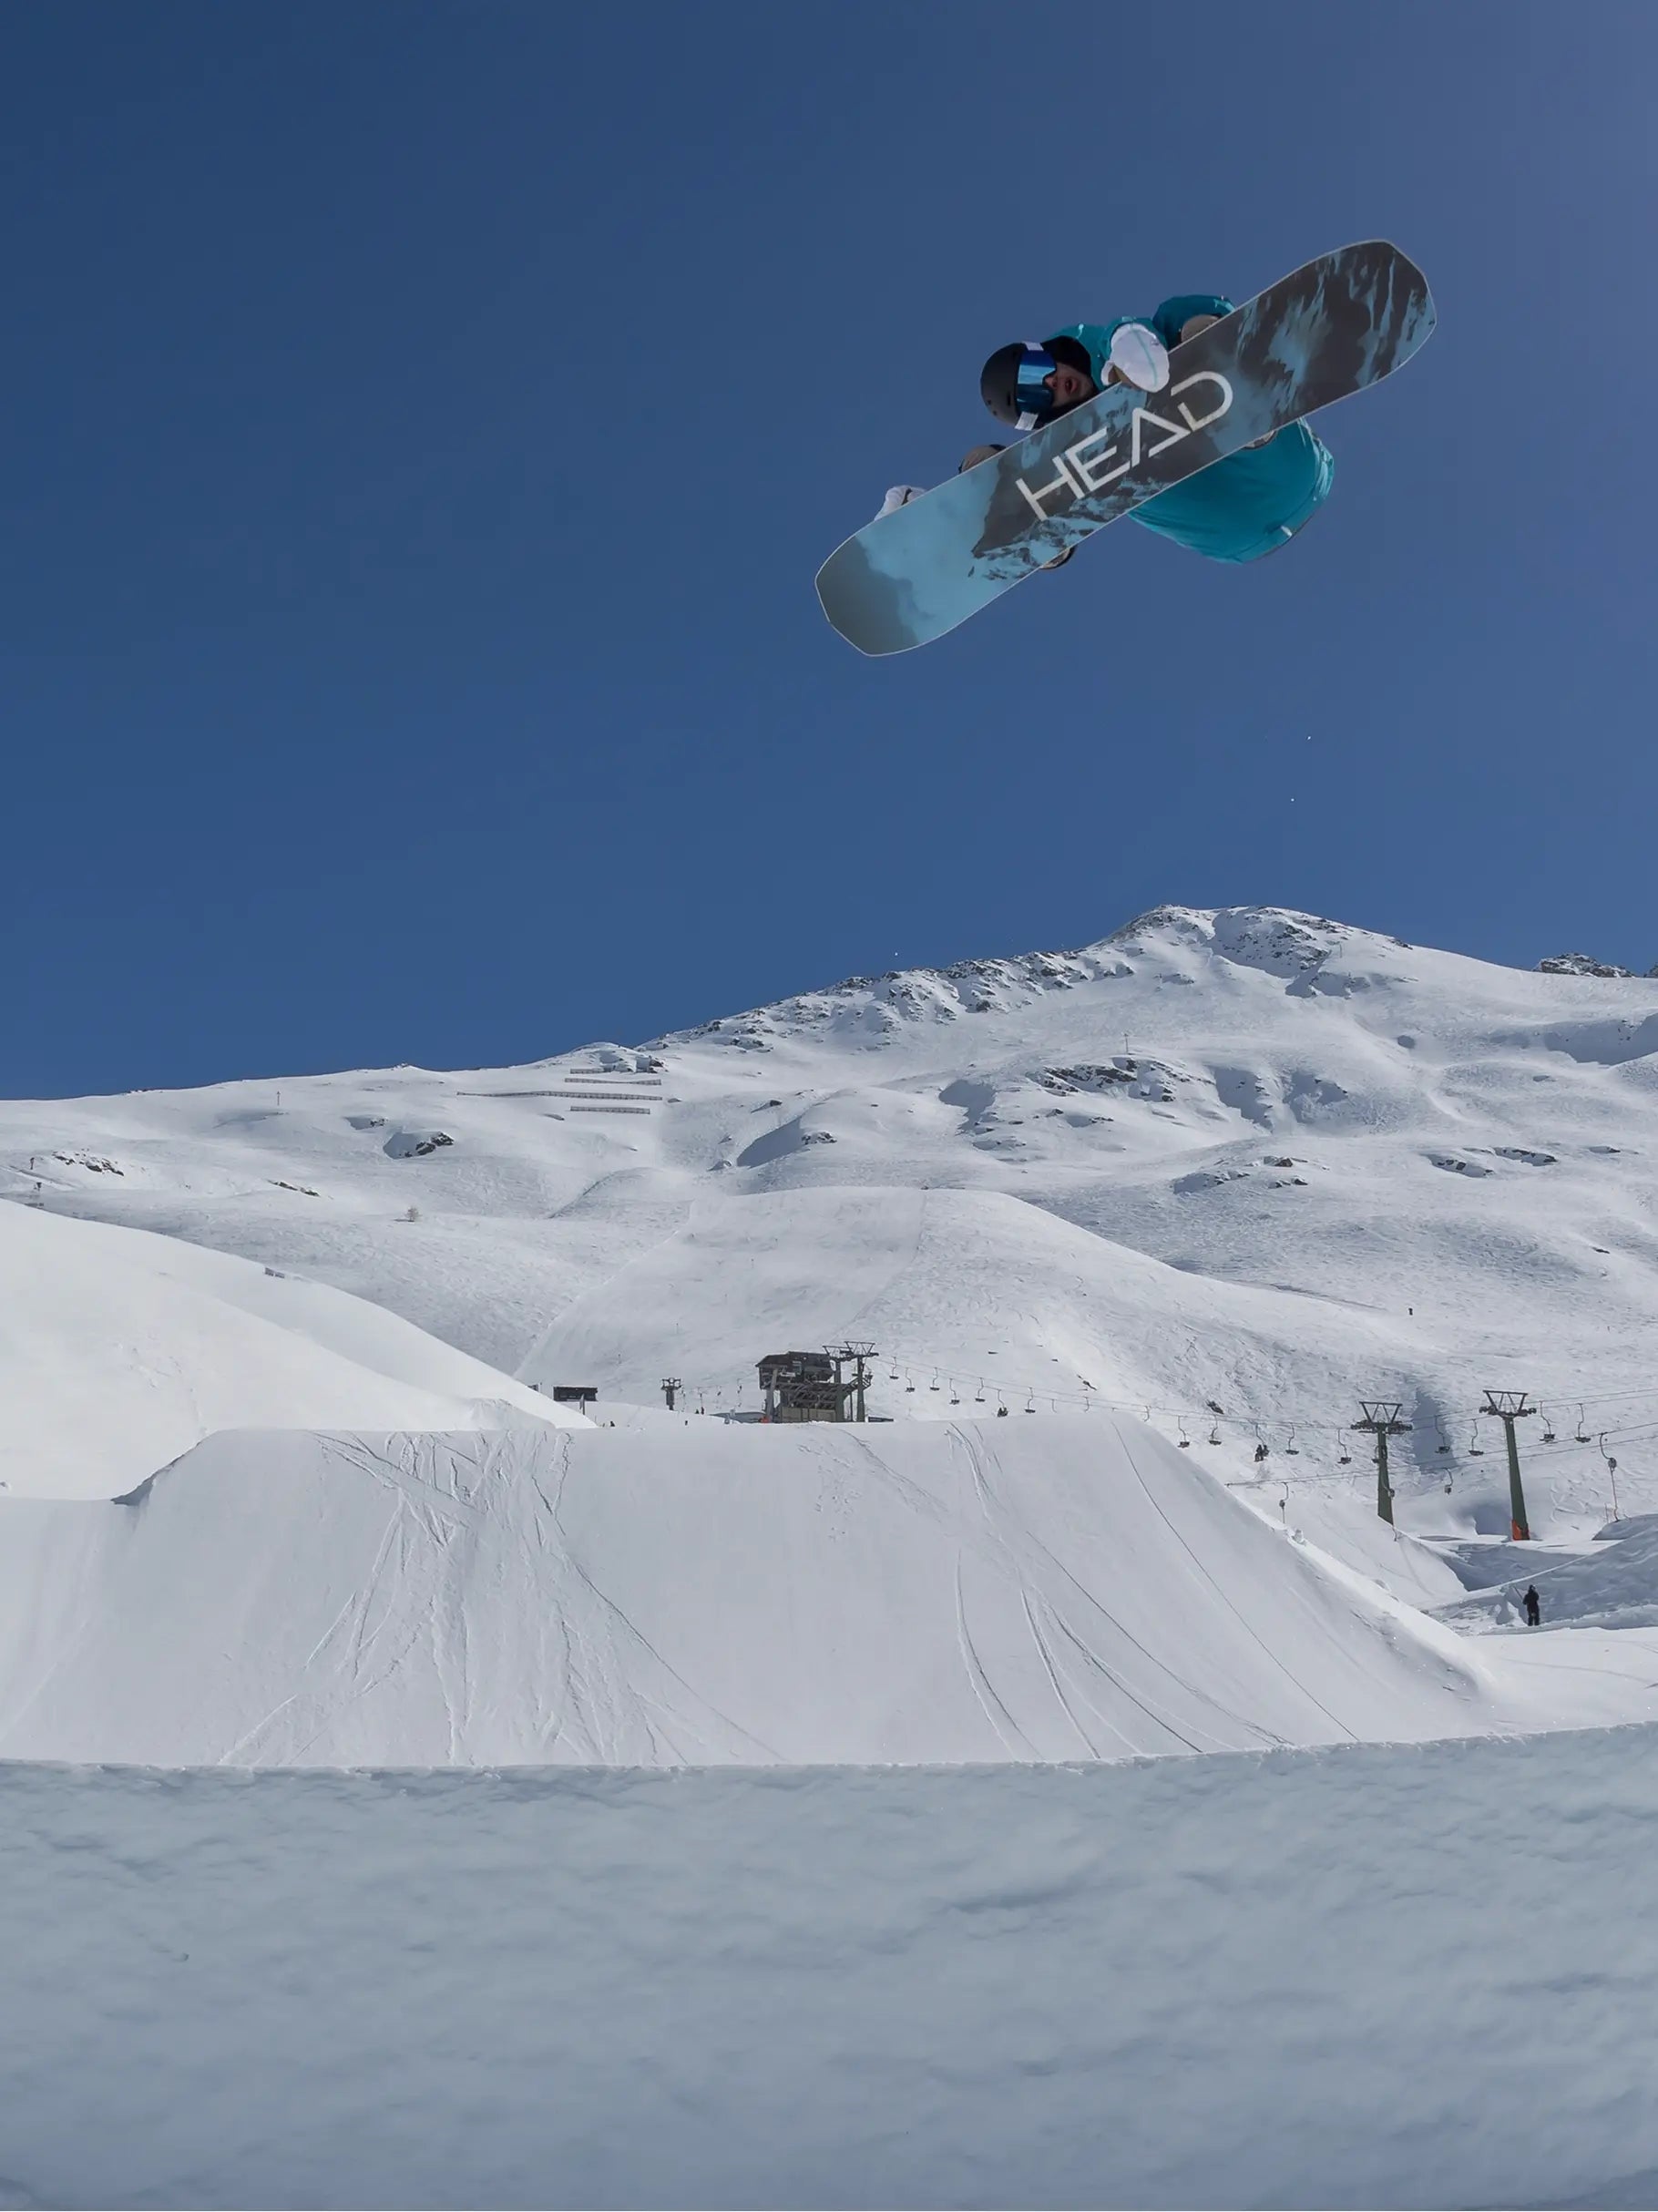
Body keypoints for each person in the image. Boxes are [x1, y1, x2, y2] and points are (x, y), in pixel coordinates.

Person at [973, 294, 1336, 564]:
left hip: (1288, 462)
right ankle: (1013, 521)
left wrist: (1127, 339)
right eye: (1034, 394)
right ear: (1040, 418)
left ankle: (1238, 405)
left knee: (1178, 324)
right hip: (1228, 532)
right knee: (1068, 474)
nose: (1050, 382)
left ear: (1050, 353)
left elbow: (1127, 336)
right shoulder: (1070, 454)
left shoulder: (1105, 345)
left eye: (1037, 369)